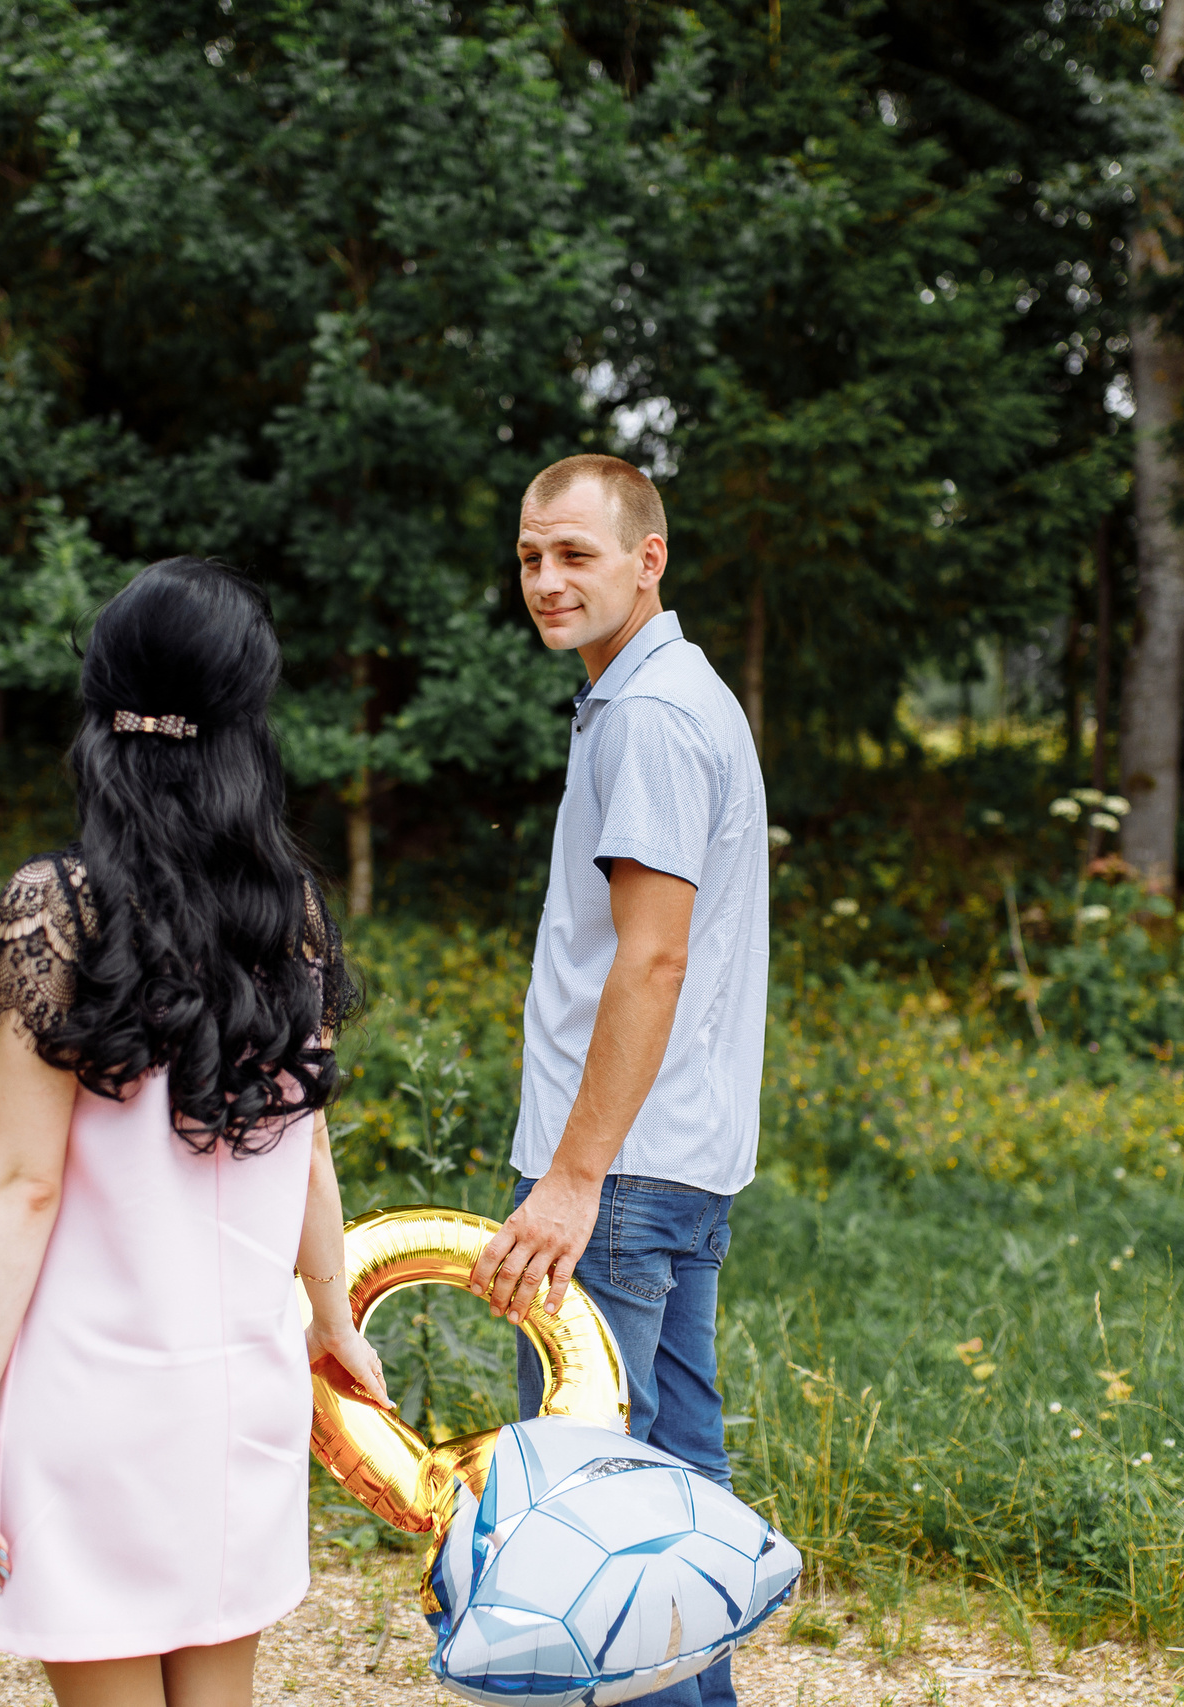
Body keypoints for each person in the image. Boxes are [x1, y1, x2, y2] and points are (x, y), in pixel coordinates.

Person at [0, 558, 390, 1707]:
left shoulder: (55, 907)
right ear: (247, 720)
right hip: (243, 1386)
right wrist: (332, 1320)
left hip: (98, 1399)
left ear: (104, 709)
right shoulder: (294, 912)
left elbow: (23, 1187)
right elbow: (312, 1148)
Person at [469, 454, 768, 1707]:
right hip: (677, 1167)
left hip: (624, 1181)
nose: (546, 580)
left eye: (574, 554)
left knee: (599, 1540)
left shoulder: (647, 713)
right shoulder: (664, 691)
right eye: (532, 556)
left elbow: (650, 957)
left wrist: (572, 1176)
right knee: (674, 1507)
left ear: (649, 559)